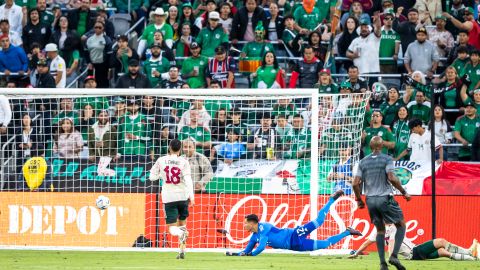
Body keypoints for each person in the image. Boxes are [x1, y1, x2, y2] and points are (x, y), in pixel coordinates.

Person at [227, 191, 362, 256]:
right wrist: (236, 254)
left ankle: (331, 199)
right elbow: (247, 250)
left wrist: (251, 254)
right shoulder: (254, 236)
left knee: (319, 221)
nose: (244, 226)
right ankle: (348, 232)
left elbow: (261, 247)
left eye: (245, 223)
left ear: (252, 223)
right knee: (326, 244)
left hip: (294, 234)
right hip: (296, 246)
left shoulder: (264, 228)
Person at [353, 136, 411, 270]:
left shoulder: (363, 161)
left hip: (370, 200)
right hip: (384, 197)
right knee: (401, 225)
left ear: (370, 147)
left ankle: (382, 264)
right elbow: (392, 177)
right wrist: (404, 192)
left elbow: (355, 183)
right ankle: (394, 256)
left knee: (380, 230)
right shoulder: (387, 159)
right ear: (382, 146)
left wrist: (359, 200)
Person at [149, 139, 194, 259]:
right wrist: (192, 196)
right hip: (183, 197)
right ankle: (181, 251)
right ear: (180, 149)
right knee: (182, 224)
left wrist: (161, 175)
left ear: (169, 148)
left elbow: (151, 177)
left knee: (172, 228)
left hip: (169, 197)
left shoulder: (161, 160)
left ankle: (181, 235)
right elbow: (188, 180)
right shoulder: (184, 162)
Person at [350, 225, 478, 261]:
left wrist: (356, 254)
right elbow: (391, 243)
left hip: (414, 253)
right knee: (441, 241)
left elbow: (367, 243)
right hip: (414, 252)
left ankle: (472, 258)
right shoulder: (387, 229)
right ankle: (468, 251)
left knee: (443, 252)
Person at [85, 21, 113, 88]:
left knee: (102, 84)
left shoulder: (107, 39)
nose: (97, 29)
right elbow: (86, 52)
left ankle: (103, 98)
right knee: (90, 85)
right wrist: (88, 62)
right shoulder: (89, 39)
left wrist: (109, 68)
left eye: (100, 27)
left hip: (103, 66)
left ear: (103, 28)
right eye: (96, 27)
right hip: (92, 66)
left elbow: (109, 55)